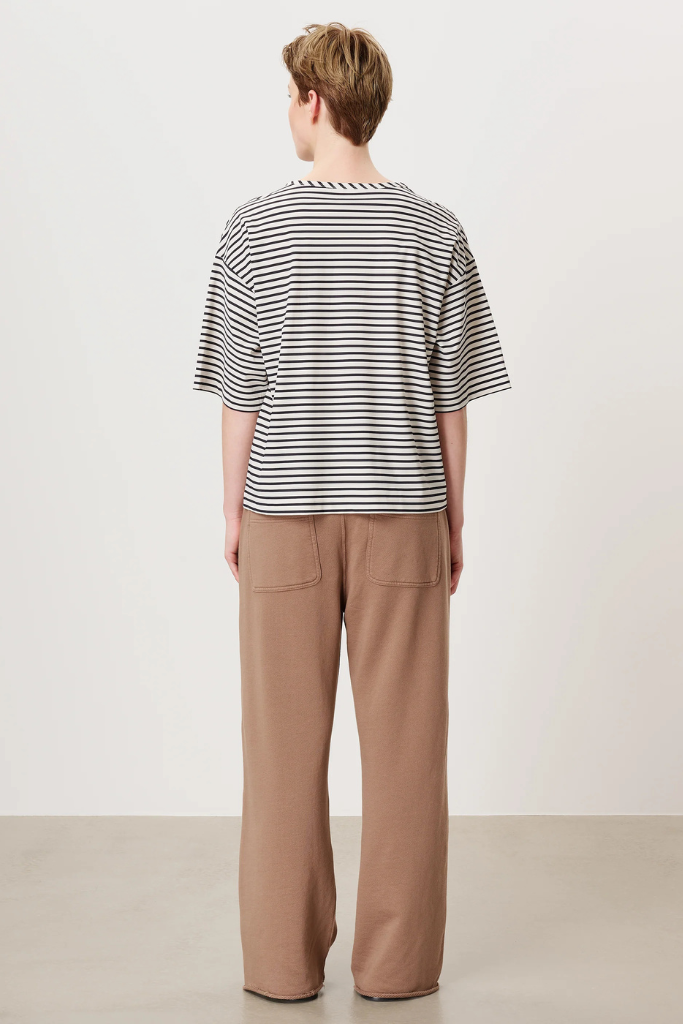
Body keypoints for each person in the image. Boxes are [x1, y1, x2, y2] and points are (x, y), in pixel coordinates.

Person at [193, 21, 511, 1004]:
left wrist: (233, 512)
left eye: (290, 95)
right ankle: (399, 969)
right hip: (403, 513)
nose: (287, 112)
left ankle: (279, 967)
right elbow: (450, 399)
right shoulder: (434, 232)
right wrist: (454, 519)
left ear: (315, 101)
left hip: (284, 514)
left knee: (280, 754)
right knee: (409, 751)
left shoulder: (253, 230)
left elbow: (240, 395)